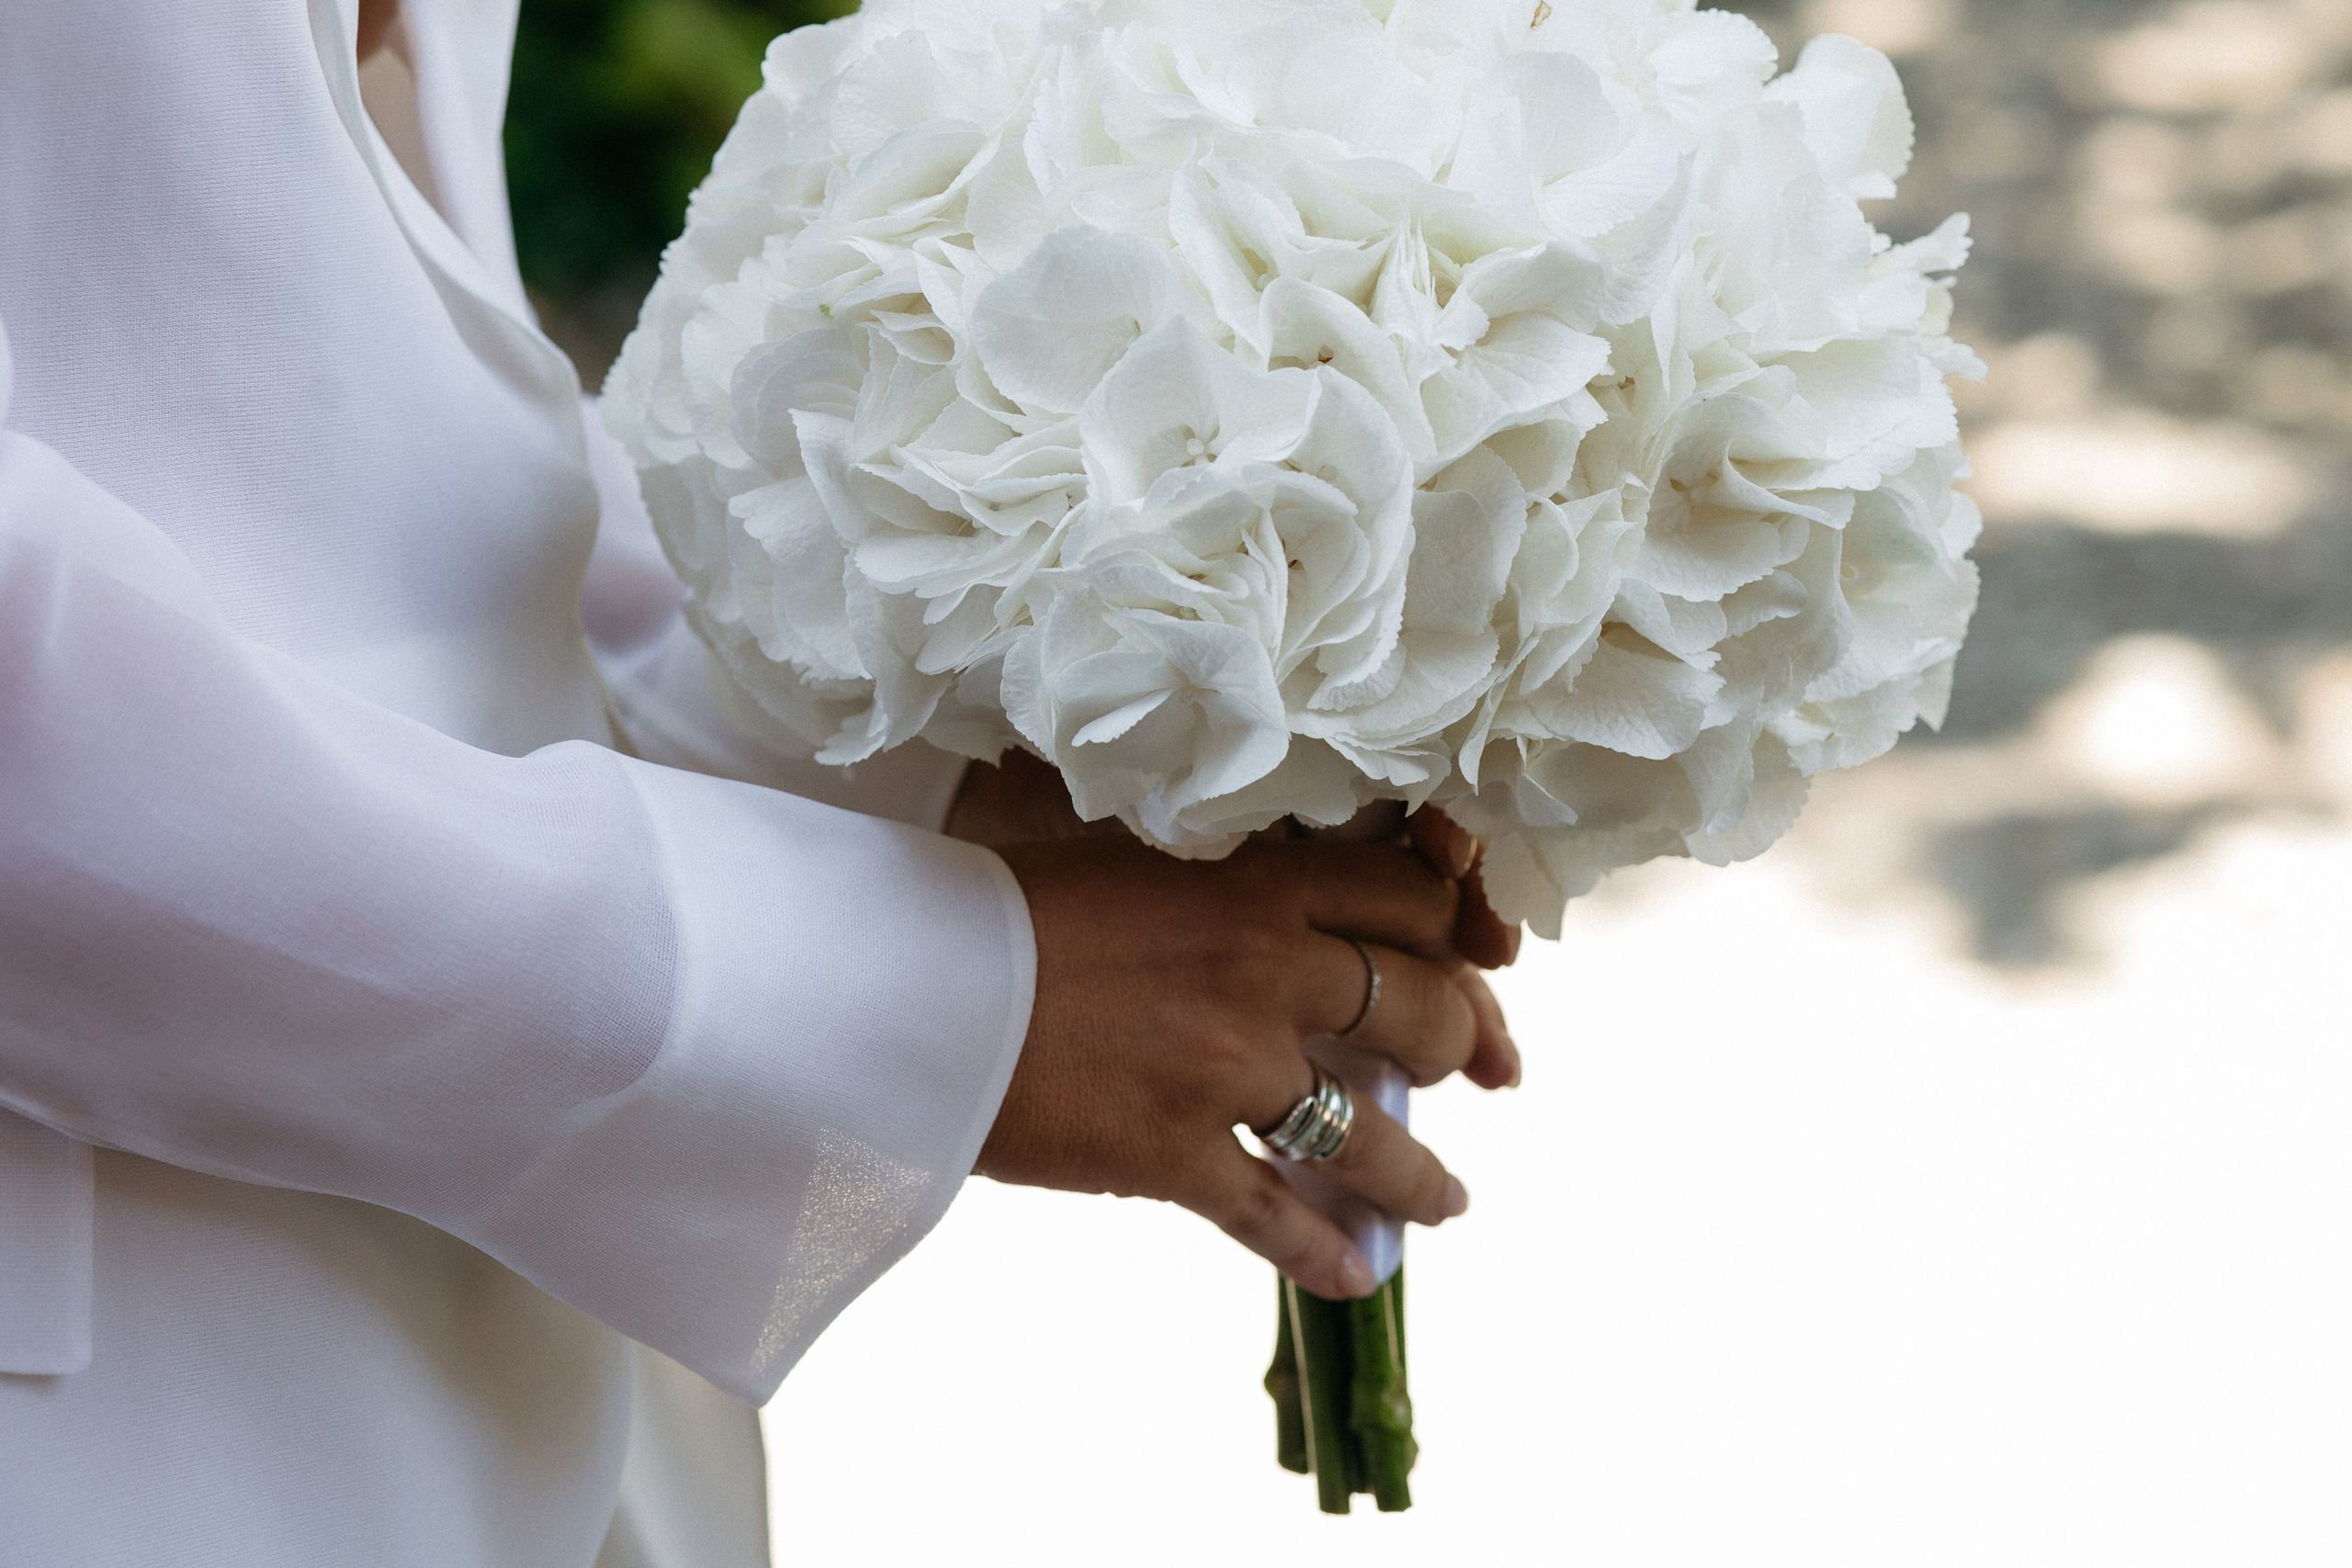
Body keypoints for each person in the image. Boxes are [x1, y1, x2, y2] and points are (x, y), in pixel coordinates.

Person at [0, 1, 1520, 1562]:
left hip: (542, 1368)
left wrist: (936, 735)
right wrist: (924, 998)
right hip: (110, 1399)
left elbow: (349, 374)